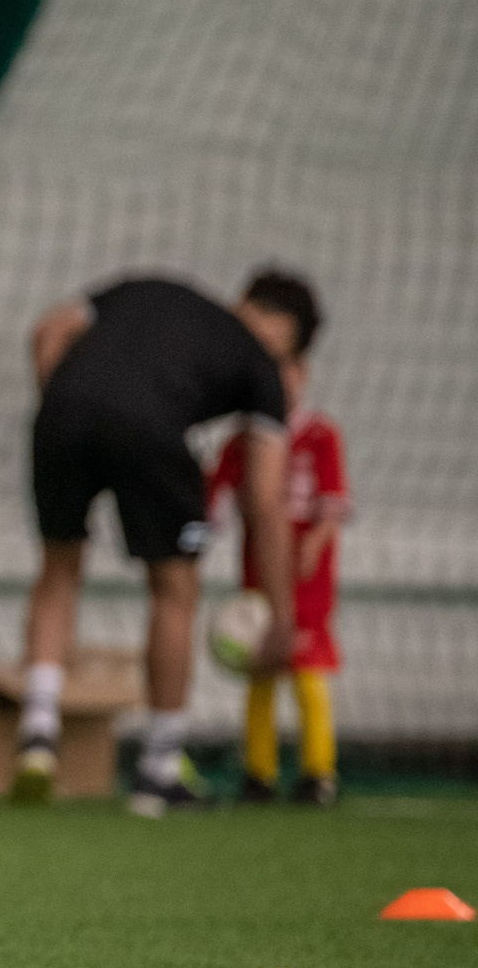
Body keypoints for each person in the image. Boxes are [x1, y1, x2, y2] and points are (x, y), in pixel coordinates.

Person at [17, 269, 308, 815]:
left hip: (62, 412)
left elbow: (48, 333)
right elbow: (265, 504)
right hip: (151, 431)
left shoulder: (152, 287)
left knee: (58, 568)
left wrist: (63, 406)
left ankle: (37, 738)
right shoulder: (262, 369)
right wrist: (284, 619)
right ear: (291, 343)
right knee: (175, 588)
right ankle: (158, 768)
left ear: (243, 299)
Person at [206, 292, 344, 805]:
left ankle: (318, 771)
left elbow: (333, 504)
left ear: (302, 373)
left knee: (308, 668)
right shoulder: (238, 442)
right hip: (258, 578)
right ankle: (258, 772)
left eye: (283, 369)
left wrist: (314, 545)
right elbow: (213, 506)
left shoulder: (320, 436)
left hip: (308, 582)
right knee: (260, 671)